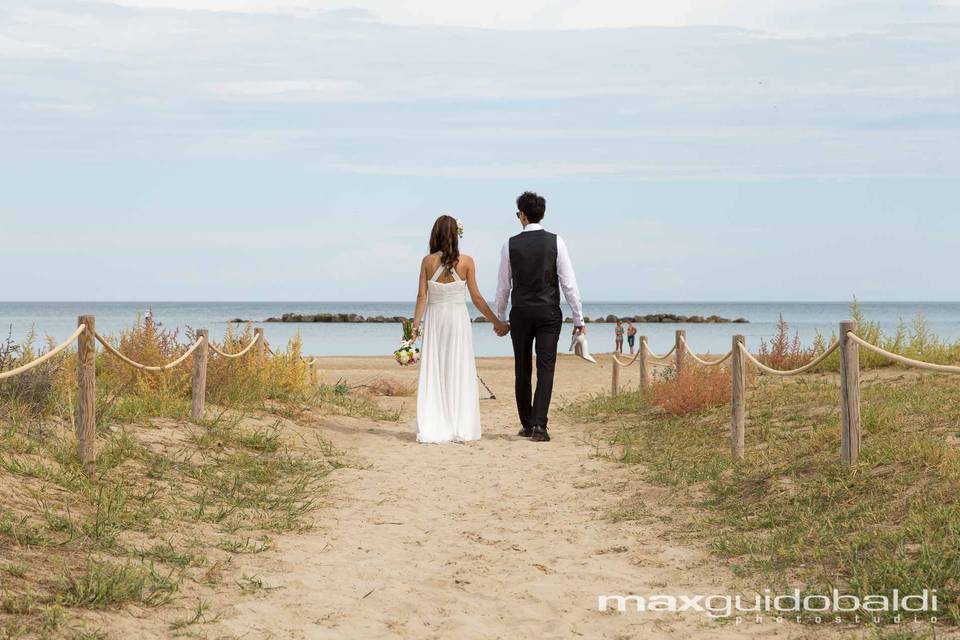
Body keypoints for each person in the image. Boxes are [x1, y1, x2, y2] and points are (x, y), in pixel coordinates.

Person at [495, 191, 584, 443]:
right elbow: (568, 283)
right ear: (541, 215)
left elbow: (503, 285)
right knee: (546, 368)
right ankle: (539, 426)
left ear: (522, 215)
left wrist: (500, 316)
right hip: (548, 313)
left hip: (521, 312)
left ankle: (526, 423)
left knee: (522, 368)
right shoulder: (556, 241)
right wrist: (579, 319)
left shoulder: (509, 244)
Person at [411, 215, 509, 443]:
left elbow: (421, 297)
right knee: (458, 366)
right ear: (456, 235)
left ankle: (436, 423)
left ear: (434, 235)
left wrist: (414, 329)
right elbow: (476, 298)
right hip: (457, 319)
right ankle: (459, 423)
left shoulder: (427, 262)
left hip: (435, 318)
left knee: (436, 368)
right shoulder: (466, 262)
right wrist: (498, 323)